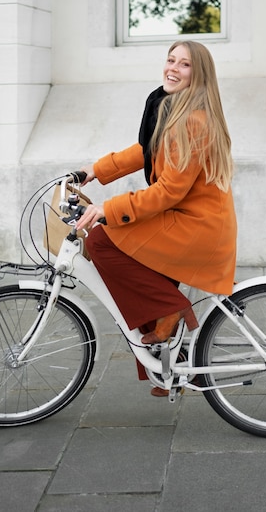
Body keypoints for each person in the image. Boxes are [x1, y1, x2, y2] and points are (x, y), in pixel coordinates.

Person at [75, 40, 237, 395]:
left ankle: (173, 311)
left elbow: (168, 191)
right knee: (127, 259)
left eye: (184, 65)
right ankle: (173, 359)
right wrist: (94, 171)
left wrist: (108, 209)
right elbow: (145, 150)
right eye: (170, 60)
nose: (173, 69)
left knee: (102, 241)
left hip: (196, 227)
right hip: (186, 220)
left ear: (199, 75)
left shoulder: (192, 121)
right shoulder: (174, 111)